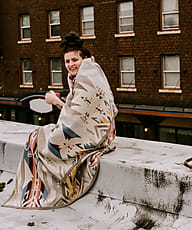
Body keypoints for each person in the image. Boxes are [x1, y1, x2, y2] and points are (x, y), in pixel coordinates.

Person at [3, 32, 117, 209]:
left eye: (74, 60)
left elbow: (78, 118)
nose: (71, 65)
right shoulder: (86, 74)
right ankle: (36, 190)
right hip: (97, 131)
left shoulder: (87, 77)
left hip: (96, 135)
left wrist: (55, 102)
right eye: (67, 61)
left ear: (84, 58)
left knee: (40, 139)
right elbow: (78, 113)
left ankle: (38, 192)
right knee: (38, 136)